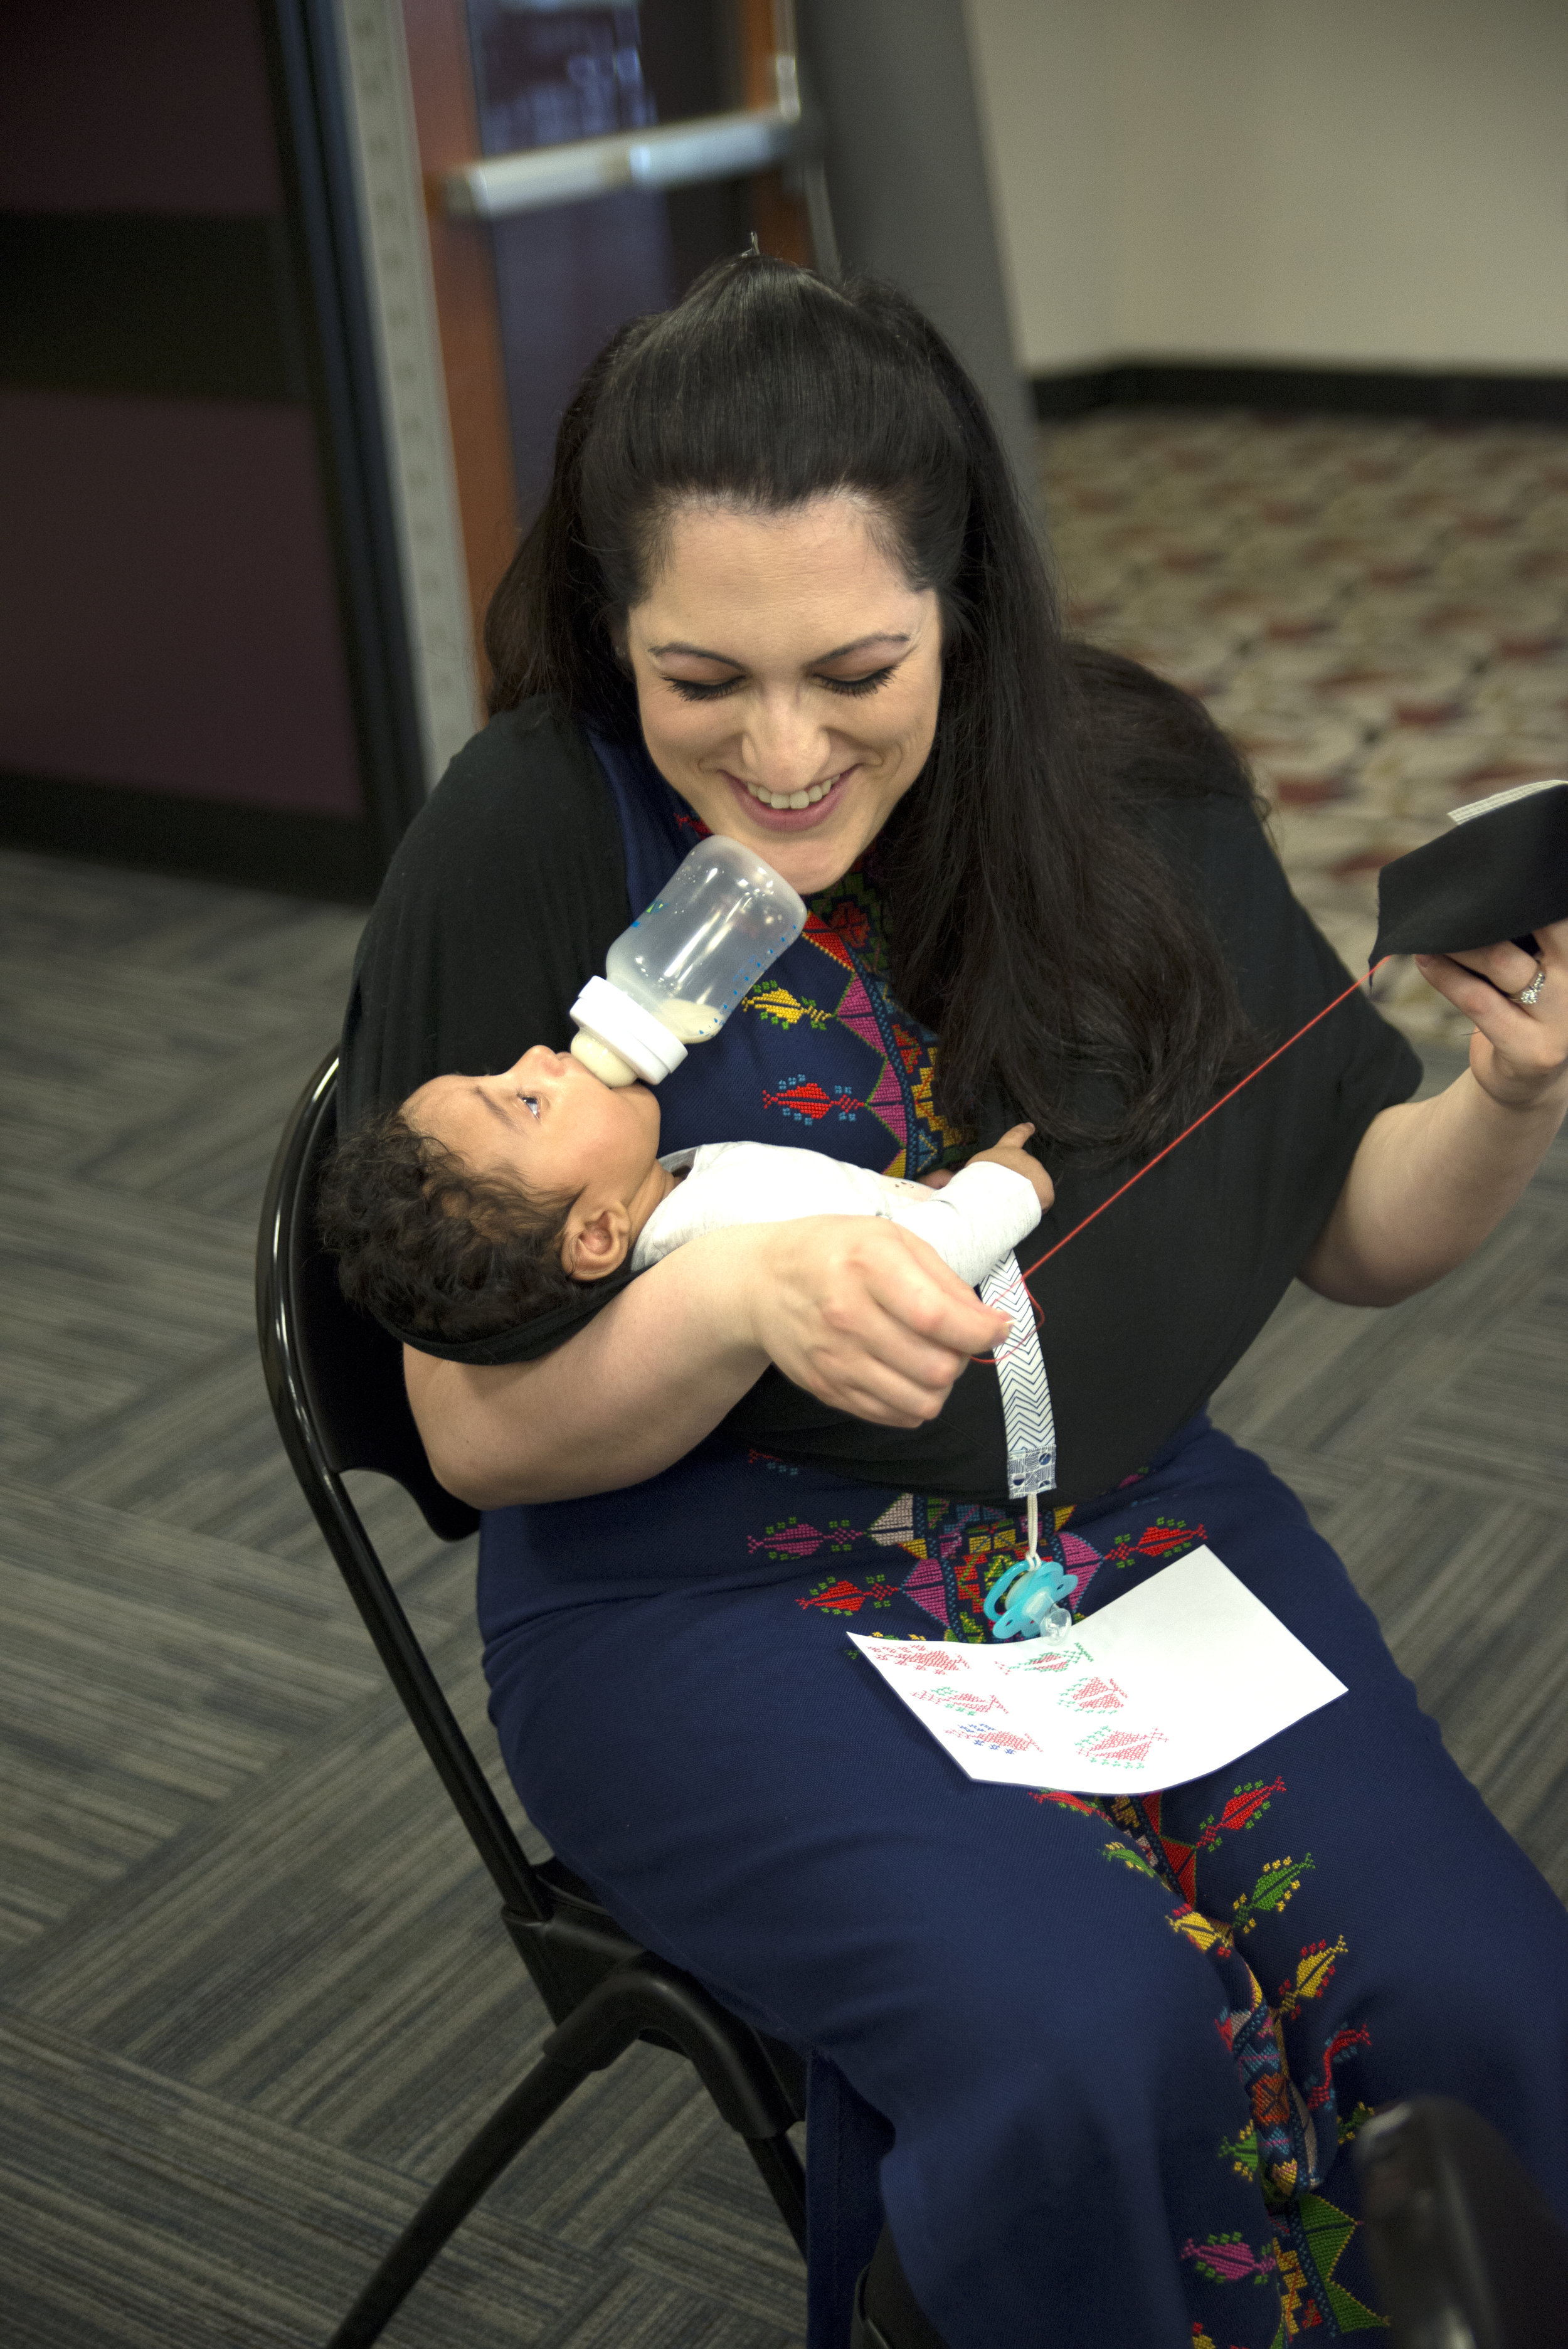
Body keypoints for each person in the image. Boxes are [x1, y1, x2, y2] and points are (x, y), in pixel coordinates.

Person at [338, 254, 1568, 2348]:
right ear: (608, 632)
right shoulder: (534, 829)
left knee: (1481, 1995)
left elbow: (1352, 1223)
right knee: (1095, 2043)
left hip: (1125, 1537)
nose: (785, 756)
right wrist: (738, 1303)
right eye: (699, 677)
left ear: (966, 618)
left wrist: (1513, 1092)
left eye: (856, 666)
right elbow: (472, 1430)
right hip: (694, 1590)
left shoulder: (1130, 789)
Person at [320, 1043, 1050, 1343]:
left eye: (503, 1073)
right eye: (529, 1103)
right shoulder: (721, 1228)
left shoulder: (670, 1193)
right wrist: (1005, 1187)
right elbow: (917, 1273)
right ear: (598, 1235)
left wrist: (900, 1201)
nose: (539, 1056)